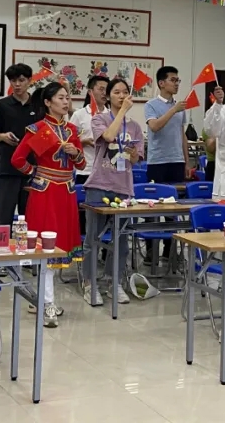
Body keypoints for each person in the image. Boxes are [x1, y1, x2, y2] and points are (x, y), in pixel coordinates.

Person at [10, 82, 84, 328]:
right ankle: (48, 302)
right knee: (46, 246)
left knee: (60, 244)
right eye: (61, 97)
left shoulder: (72, 130)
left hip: (67, 193)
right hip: (46, 193)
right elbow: (17, 159)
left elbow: (82, 165)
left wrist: (75, 153)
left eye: (67, 97)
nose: (65, 101)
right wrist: (35, 173)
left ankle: (43, 298)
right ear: (47, 102)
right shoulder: (39, 129)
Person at [81, 79, 143, 306]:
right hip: (99, 184)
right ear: (108, 97)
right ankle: (89, 283)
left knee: (121, 241)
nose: (122, 96)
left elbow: (135, 159)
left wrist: (132, 153)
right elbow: (108, 137)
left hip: (123, 187)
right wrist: (122, 112)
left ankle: (113, 281)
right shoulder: (99, 119)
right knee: (93, 239)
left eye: (125, 92)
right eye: (116, 92)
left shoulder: (135, 127)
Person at [0, 64, 38, 227]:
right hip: (7, 168)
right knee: (3, 219)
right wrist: (3, 136)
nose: (17, 84)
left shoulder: (38, 105)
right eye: (13, 81)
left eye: (21, 80)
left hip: (32, 169)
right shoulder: (2, 105)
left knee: (30, 219)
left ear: (30, 81)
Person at [143, 66, 194, 185]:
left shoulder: (179, 107)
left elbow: (182, 135)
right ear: (161, 83)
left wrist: (187, 162)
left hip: (177, 160)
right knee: (158, 194)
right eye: (173, 80)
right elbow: (154, 127)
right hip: (157, 161)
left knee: (177, 194)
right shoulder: (150, 105)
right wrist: (173, 110)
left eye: (178, 81)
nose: (176, 84)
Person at [69, 76, 109, 189]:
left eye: (107, 90)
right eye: (101, 89)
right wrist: (84, 142)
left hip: (107, 170)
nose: (104, 93)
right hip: (85, 170)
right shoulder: (79, 115)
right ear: (90, 91)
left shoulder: (112, 115)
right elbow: (69, 141)